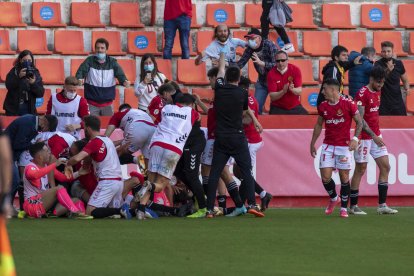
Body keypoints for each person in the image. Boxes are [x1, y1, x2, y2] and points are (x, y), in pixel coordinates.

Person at [206, 50, 264, 218]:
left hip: (221, 137)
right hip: (238, 136)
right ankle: (252, 203)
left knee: (215, 173)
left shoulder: (219, 89)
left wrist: (222, 57)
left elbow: (221, 71)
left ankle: (210, 209)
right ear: (239, 79)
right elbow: (246, 112)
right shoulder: (242, 93)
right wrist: (255, 121)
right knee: (246, 171)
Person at [135, 94, 201, 220]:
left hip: (156, 144)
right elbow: (197, 121)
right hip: (173, 148)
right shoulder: (192, 112)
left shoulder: (166, 108)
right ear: (191, 104)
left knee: (151, 178)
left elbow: (156, 119)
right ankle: (149, 186)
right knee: (160, 185)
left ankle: (140, 211)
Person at [65, 116, 140, 219]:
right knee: (112, 212)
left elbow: (77, 158)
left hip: (107, 182)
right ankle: (134, 210)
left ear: (88, 128)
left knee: (90, 212)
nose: (84, 129)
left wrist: (68, 164)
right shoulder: (107, 140)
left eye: (84, 127)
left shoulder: (94, 142)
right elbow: (90, 159)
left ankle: (125, 211)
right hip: (118, 182)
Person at [310, 79, 362, 218]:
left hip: (344, 147)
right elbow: (319, 125)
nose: (322, 92)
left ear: (333, 90)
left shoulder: (348, 104)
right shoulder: (323, 106)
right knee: (325, 177)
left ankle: (344, 208)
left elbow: (359, 122)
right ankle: (334, 198)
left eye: (324, 89)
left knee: (344, 177)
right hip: (328, 145)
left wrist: (355, 139)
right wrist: (312, 143)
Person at [351, 67, 398, 215]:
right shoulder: (361, 94)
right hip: (365, 138)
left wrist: (376, 136)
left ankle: (382, 205)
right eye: (378, 82)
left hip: (376, 136)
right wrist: (374, 136)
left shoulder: (378, 91)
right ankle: (353, 206)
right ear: (371, 79)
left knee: (386, 166)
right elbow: (360, 121)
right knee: (361, 169)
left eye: (383, 83)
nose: (380, 85)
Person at [22, 142, 91, 219]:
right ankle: (74, 212)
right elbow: (35, 175)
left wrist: (79, 173)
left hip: (44, 204)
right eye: (47, 151)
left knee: (76, 200)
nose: (50, 153)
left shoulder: (46, 167)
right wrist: (55, 164)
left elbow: (63, 178)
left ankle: (56, 214)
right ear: (40, 157)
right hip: (31, 205)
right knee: (59, 188)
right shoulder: (30, 167)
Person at [5, 115, 57, 211]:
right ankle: (7, 206)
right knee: (15, 181)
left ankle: (8, 206)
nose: (45, 131)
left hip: (10, 155)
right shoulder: (28, 123)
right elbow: (18, 144)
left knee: (16, 181)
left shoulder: (31, 122)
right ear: (44, 121)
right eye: (47, 128)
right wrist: (34, 145)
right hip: (6, 155)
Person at [237, 76, 273, 211]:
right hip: (247, 140)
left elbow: (247, 120)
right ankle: (262, 195)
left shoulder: (248, 100)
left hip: (250, 141)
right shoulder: (248, 98)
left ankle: (247, 202)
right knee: (239, 171)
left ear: (243, 88)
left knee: (246, 173)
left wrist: (231, 121)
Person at [173, 94, 207, 218]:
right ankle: (200, 195)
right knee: (177, 170)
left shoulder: (193, 113)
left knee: (192, 175)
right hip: (185, 145)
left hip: (194, 145)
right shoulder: (184, 112)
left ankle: (203, 208)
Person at [75, 38, 130, 116]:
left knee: (107, 126)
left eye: (102, 48)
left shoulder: (112, 62)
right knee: (92, 127)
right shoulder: (89, 61)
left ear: (106, 50)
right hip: (91, 104)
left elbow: (120, 74)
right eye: (97, 48)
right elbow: (80, 72)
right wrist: (79, 79)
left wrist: (124, 81)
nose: (99, 50)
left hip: (108, 104)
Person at [237, 28, 278, 114]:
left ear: (259, 38)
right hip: (262, 81)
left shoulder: (269, 45)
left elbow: (278, 65)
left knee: (277, 110)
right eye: (248, 39)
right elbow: (241, 62)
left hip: (275, 82)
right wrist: (228, 67)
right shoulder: (250, 48)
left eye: (253, 38)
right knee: (255, 108)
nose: (250, 41)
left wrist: (262, 63)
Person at [4, 50, 45, 116]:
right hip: (13, 109)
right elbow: (8, 86)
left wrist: (33, 83)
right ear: (20, 60)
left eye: (29, 60)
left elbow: (40, 93)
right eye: (24, 60)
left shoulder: (35, 72)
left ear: (32, 61)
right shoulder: (14, 71)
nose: (27, 62)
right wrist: (18, 77)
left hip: (29, 109)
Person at [374, 41, 411, 116]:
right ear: (381, 52)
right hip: (383, 102)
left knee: (401, 123)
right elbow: (377, 81)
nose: (386, 53)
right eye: (384, 51)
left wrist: (407, 88)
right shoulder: (377, 64)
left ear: (392, 51)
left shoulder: (399, 63)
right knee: (383, 124)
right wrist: (388, 71)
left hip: (397, 101)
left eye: (388, 51)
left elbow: (405, 79)